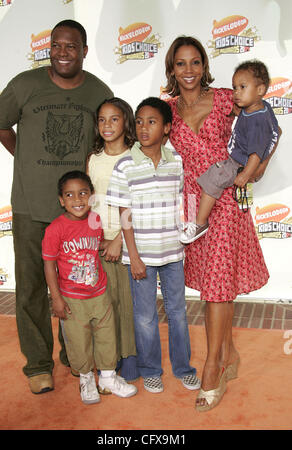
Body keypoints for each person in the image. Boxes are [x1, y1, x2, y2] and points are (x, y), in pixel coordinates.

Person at [0, 19, 113, 394]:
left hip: (77, 211)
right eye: (57, 46)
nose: (63, 53)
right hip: (31, 206)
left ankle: (74, 357)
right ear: (49, 49)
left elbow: (110, 136)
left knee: (76, 285)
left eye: (71, 47)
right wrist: (23, 157)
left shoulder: (97, 90)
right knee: (30, 288)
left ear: (84, 51)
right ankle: (39, 366)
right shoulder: (25, 85)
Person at [164, 36, 274, 411]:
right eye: (181, 63)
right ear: (172, 68)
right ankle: (229, 355)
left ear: (204, 65)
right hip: (195, 206)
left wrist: (254, 171)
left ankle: (212, 369)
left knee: (216, 288)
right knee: (214, 286)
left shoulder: (228, 98)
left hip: (226, 201)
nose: (189, 70)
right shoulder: (168, 111)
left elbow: (266, 127)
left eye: (195, 62)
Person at [106, 97, 200, 394]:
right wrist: (132, 256)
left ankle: (183, 367)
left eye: (152, 121)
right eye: (139, 122)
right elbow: (125, 216)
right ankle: (150, 369)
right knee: (144, 317)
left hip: (173, 254)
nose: (144, 128)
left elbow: (181, 203)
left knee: (178, 314)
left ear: (167, 127)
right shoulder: (125, 165)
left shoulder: (177, 163)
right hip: (141, 257)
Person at [42, 170, 137, 404]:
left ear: (91, 197)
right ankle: (85, 378)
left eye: (83, 193)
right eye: (70, 195)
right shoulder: (55, 228)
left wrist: (114, 243)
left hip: (99, 292)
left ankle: (107, 377)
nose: (77, 200)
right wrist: (56, 298)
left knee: (106, 336)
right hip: (72, 297)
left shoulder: (94, 219)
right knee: (78, 340)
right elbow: (49, 264)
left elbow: (95, 245)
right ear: (61, 200)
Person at [179, 60, 280, 244]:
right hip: (192, 189)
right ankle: (197, 221)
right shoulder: (256, 107)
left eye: (242, 87)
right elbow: (276, 129)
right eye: (235, 88)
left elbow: (257, 152)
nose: (236, 93)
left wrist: (247, 174)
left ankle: (200, 223)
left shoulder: (255, 119)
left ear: (260, 90)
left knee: (213, 180)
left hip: (237, 166)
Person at [86, 97, 139, 382]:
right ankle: (110, 356)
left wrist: (119, 239)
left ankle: (130, 356)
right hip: (98, 241)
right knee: (104, 305)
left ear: (126, 121)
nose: (107, 125)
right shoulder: (93, 158)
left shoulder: (134, 156)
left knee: (127, 303)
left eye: (114, 119)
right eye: (102, 119)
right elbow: (88, 200)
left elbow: (139, 202)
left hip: (125, 240)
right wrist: (94, 239)